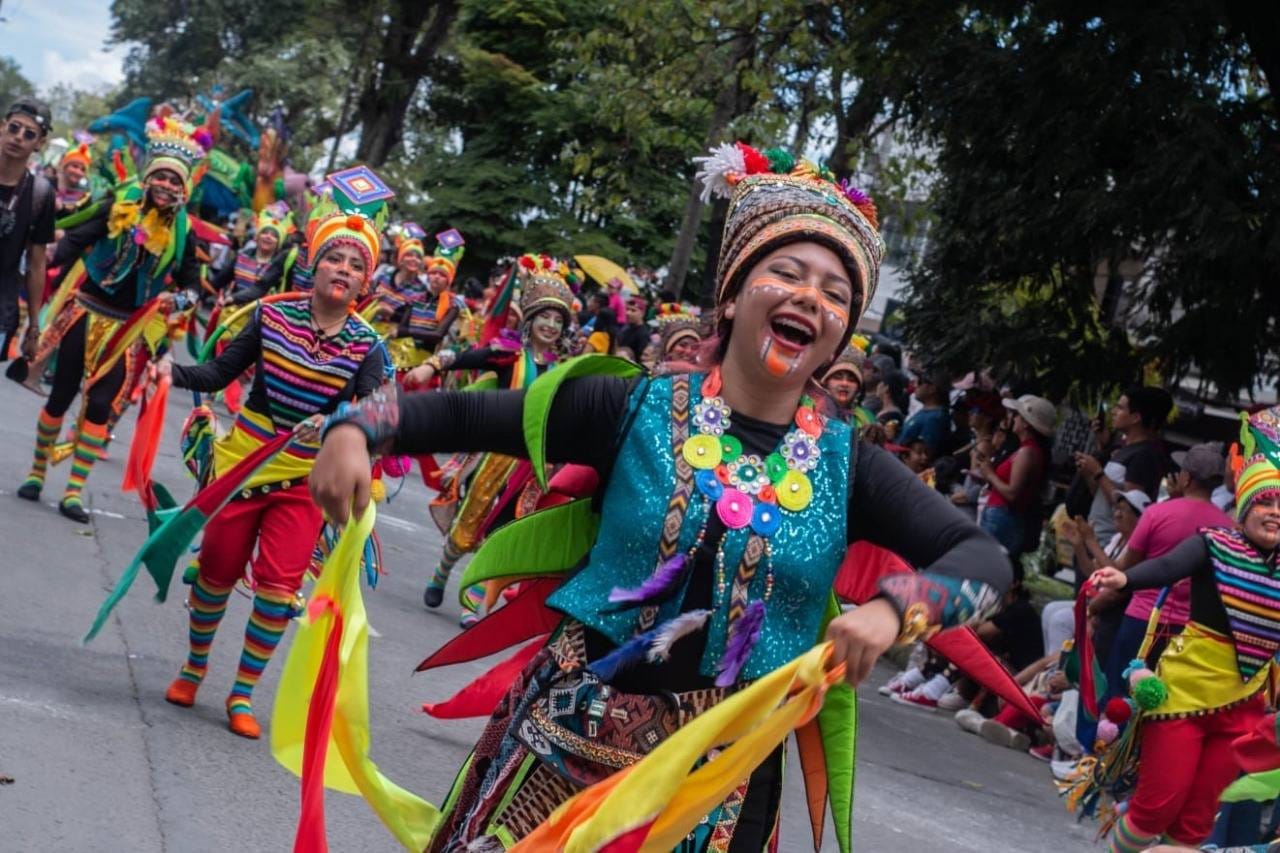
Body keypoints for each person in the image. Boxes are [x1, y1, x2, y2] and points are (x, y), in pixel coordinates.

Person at [308, 142, 1010, 850]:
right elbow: (463, 414)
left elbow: (985, 558)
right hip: (565, 746)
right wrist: (356, 428)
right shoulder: (635, 408)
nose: (810, 297)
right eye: (787, 272)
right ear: (732, 294)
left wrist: (898, 608)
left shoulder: (848, 465)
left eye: (835, 293)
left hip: (721, 786)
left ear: (838, 334)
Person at [152, 166, 392, 739]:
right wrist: (170, 370)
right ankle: (193, 667)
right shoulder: (269, 315)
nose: (344, 270)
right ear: (313, 263)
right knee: (214, 573)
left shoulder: (368, 347)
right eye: (336, 258)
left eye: (356, 265)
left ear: (366, 282)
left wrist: (334, 424)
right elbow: (218, 371)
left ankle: (241, 694)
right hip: (242, 464)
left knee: (280, 591)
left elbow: (379, 415)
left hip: (307, 481)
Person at [1089, 406, 1280, 852]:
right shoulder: (1214, 545)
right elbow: (1169, 565)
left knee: (1195, 824)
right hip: (1183, 693)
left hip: (1243, 706)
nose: (1275, 514)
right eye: (1267, 502)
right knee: (1156, 808)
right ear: (1247, 503)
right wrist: (1124, 578)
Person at [16, 116, 206, 522]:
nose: (167, 187)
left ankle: (72, 493)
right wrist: (45, 260)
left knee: (101, 404)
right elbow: (78, 240)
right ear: (149, 176)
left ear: (184, 188)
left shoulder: (183, 231)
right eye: (162, 178)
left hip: (128, 329)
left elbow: (193, 282)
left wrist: (184, 298)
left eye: (176, 182)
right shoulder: (116, 206)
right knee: (61, 393)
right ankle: (35, 474)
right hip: (86, 313)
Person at [405, 254, 575, 625]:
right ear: (529, 321)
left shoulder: (566, 373)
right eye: (544, 317)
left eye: (557, 320)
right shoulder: (508, 358)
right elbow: (465, 357)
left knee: (504, 534)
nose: (550, 325)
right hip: (491, 458)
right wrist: (430, 365)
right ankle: (441, 573)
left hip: (531, 467)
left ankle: (474, 602)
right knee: (467, 526)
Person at [1091, 442, 1234, 705]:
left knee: (1120, 695)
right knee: (1165, 700)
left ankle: (1106, 744)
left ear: (1187, 477)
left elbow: (1128, 567)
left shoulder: (1158, 513)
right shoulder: (1229, 527)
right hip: (1191, 629)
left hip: (1142, 618)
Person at [1075, 386, 1173, 538]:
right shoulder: (1125, 449)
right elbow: (1102, 496)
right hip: (1094, 535)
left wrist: (1098, 472)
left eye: (1120, 408)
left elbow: (1128, 506)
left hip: (1108, 541)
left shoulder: (1143, 455)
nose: (1113, 412)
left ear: (1135, 417)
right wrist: (1089, 474)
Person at [0, 97, 53, 364]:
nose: (18, 137)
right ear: (2, 127)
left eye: (29, 134)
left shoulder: (40, 194)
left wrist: (34, 326)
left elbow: (36, 263)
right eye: (14, 128)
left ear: (39, 144)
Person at [973, 394, 1054, 559]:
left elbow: (1012, 493)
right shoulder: (1026, 450)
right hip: (1000, 515)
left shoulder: (1027, 453)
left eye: (1017, 415)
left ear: (1026, 423)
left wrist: (990, 475)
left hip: (1002, 517)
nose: (1014, 419)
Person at [213, 205, 292, 305]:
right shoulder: (242, 256)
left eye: (274, 235)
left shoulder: (281, 265)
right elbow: (219, 280)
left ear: (278, 243)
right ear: (257, 237)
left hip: (263, 315)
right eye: (265, 232)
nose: (268, 237)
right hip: (234, 310)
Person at [900, 367, 951, 461]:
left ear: (932, 389)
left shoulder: (935, 419)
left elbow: (925, 456)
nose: (916, 384)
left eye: (920, 382)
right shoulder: (927, 412)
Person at [821, 343, 870, 423]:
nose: (844, 384)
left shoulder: (866, 418)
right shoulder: (810, 410)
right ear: (825, 382)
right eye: (837, 378)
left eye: (851, 380)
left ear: (858, 387)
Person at [650, 302, 701, 372]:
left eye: (694, 347)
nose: (689, 351)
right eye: (683, 345)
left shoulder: (705, 377)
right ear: (669, 349)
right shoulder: (652, 374)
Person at [54, 142, 92, 215]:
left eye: (83, 170)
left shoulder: (84, 196)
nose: (78, 172)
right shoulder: (48, 184)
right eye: (75, 166)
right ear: (65, 167)